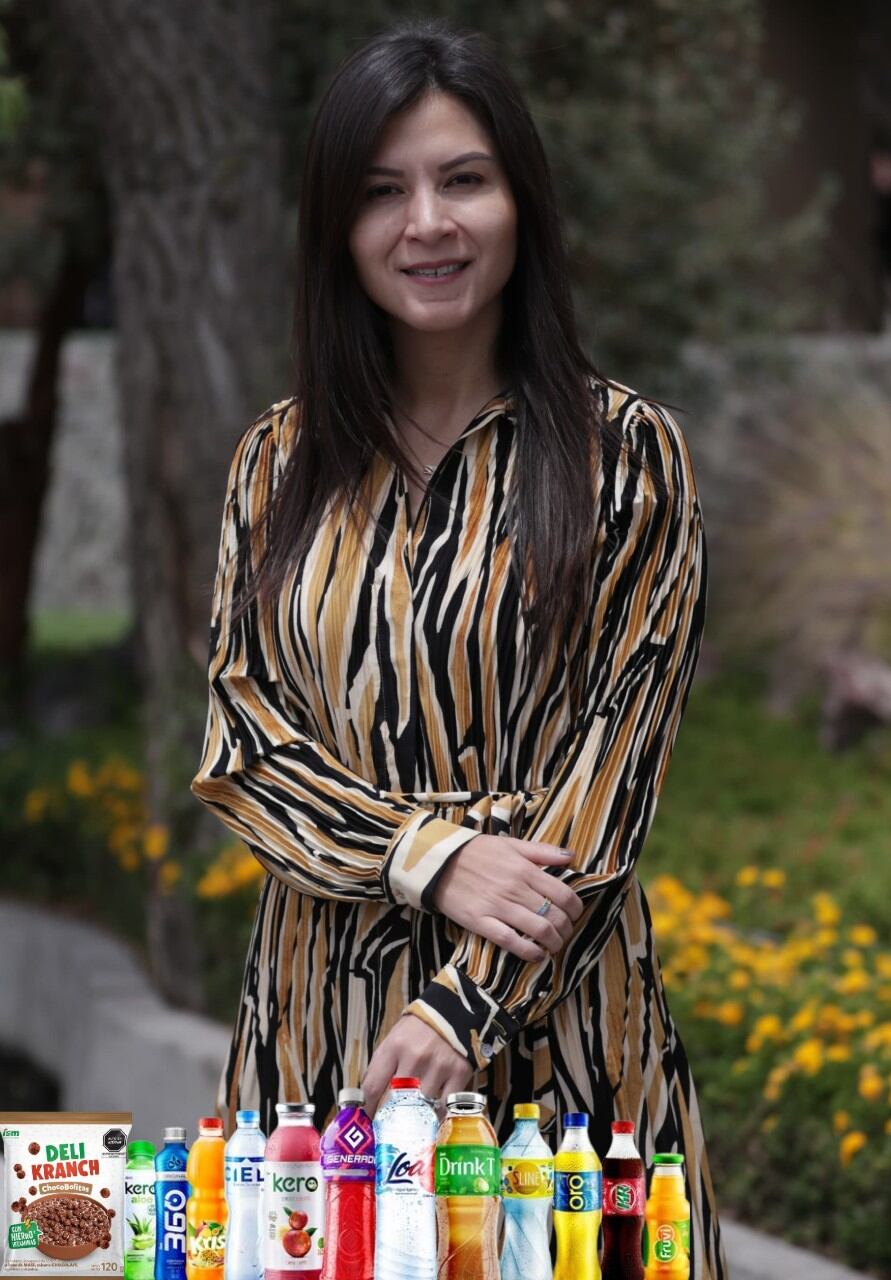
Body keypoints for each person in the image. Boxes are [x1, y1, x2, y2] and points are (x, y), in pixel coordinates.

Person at [190, 18, 727, 1278]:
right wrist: (425, 855)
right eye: (383, 191)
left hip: (552, 1018)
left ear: (519, 199)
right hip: (323, 1021)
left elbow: (613, 770)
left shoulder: (627, 455)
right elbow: (243, 741)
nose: (426, 223)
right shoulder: (278, 461)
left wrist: (462, 1004)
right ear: (338, 227)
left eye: (462, 180)